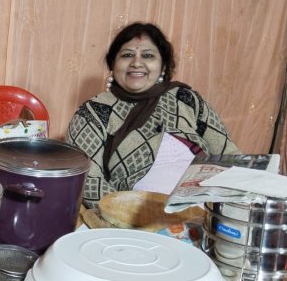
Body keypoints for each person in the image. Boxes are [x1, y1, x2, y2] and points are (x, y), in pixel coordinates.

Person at [67, 22, 240, 208]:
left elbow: (229, 155)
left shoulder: (186, 99)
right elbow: (87, 180)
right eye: (127, 55)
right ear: (112, 64)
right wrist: (130, 214)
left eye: (148, 56)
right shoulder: (94, 112)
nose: (136, 63)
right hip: (140, 213)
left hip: (210, 206)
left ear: (163, 66)